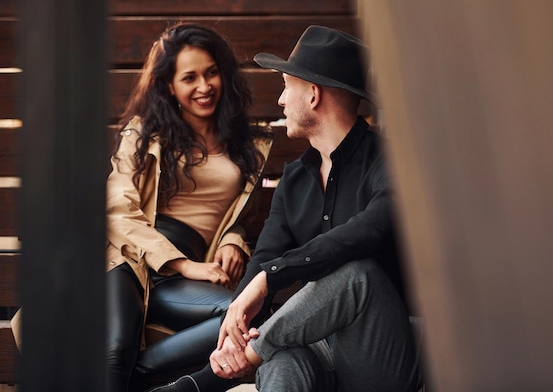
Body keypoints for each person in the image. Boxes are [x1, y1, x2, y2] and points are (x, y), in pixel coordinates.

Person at [147, 25, 423, 392]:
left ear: (312, 94)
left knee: (357, 273)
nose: (280, 100)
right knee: (283, 357)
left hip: (382, 352)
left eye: (285, 85)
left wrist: (270, 278)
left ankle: (200, 385)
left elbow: (368, 231)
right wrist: (235, 328)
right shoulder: (295, 180)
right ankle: (229, 368)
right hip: (323, 349)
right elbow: (264, 259)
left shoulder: (388, 160)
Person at [105, 22, 271, 392]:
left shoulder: (249, 142)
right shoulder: (143, 132)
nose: (203, 86)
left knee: (245, 317)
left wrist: (234, 240)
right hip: (130, 258)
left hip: (188, 274)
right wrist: (184, 264)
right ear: (169, 85)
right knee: (115, 347)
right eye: (189, 77)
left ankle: (142, 382)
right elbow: (118, 210)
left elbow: (240, 217)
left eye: (211, 73)